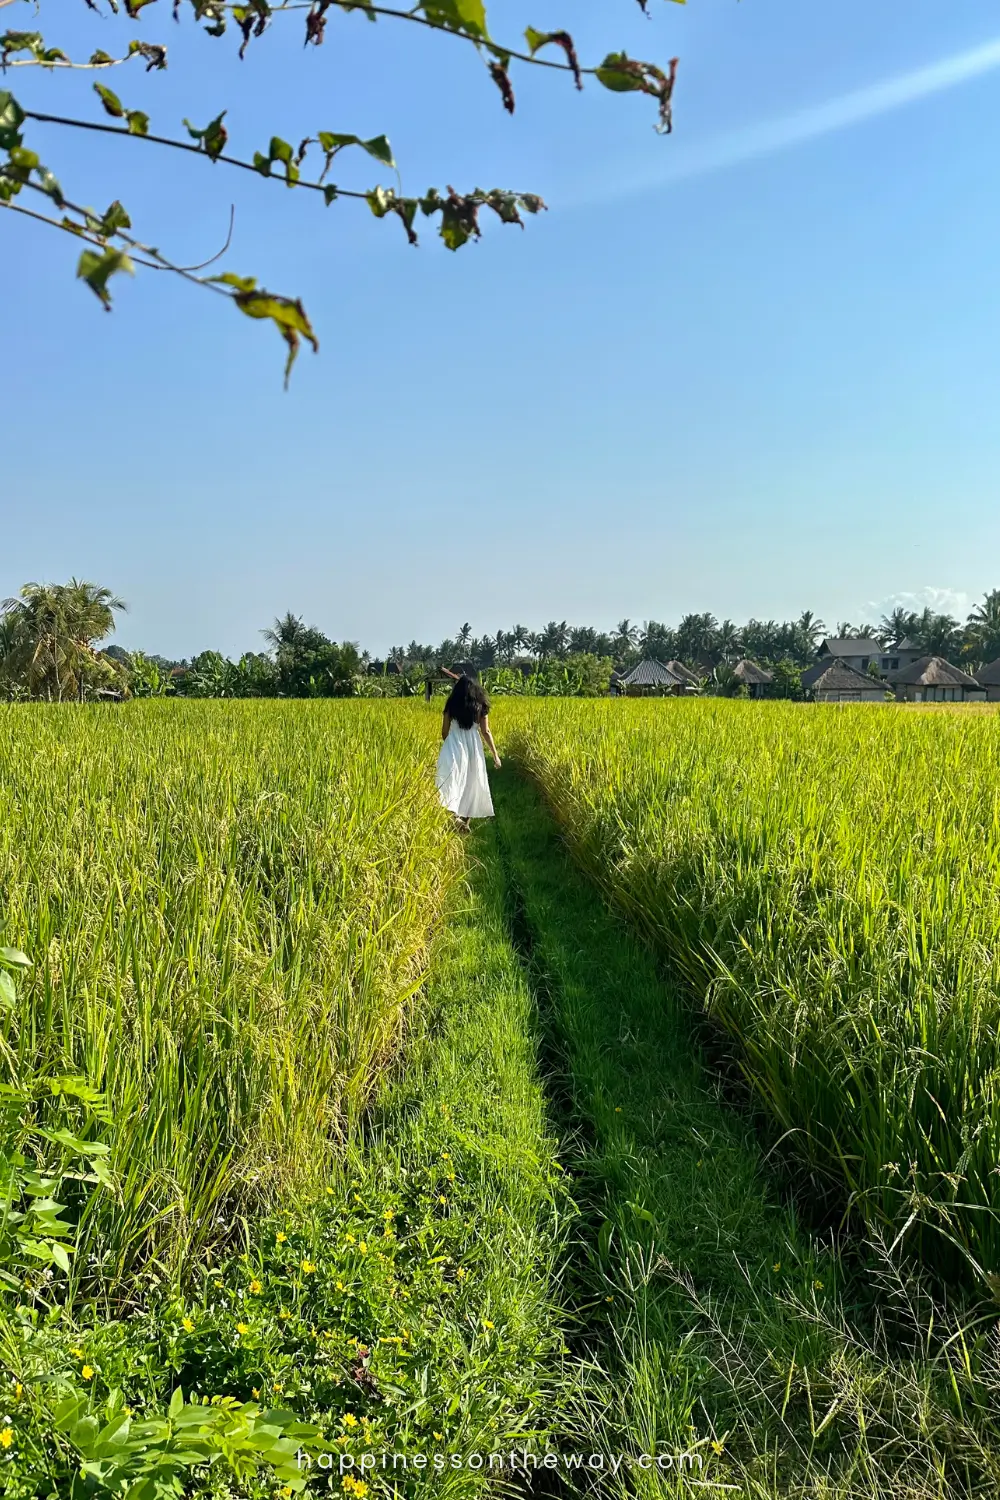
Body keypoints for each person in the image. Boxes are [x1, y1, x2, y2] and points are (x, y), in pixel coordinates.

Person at [435, 672, 501, 830]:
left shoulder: (451, 704)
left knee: (451, 781)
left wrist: (450, 743)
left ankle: (455, 818)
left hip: (454, 744)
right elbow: (486, 732)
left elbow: (444, 732)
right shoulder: (481, 705)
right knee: (472, 782)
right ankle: (464, 822)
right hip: (473, 747)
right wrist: (495, 755)